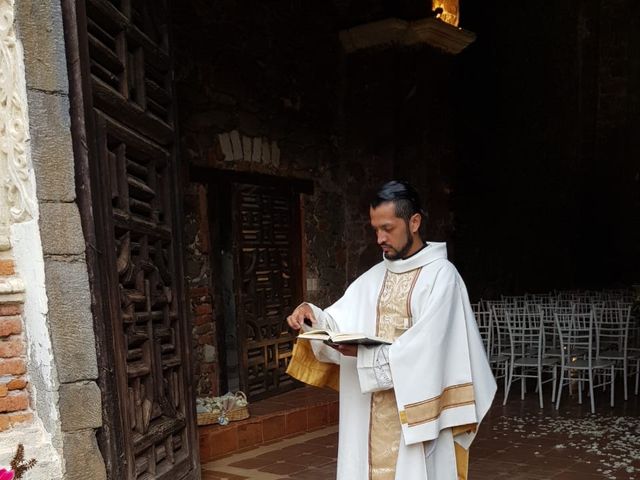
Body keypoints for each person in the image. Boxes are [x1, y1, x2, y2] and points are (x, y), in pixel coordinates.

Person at [286, 180, 496, 480]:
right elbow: (338, 321)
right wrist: (312, 317)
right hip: (366, 416)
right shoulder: (373, 277)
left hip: (414, 417)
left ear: (414, 222)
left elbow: (430, 350)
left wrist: (365, 355)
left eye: (387, 228)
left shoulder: (442, 277)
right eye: (375, 229)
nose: (379, 238)